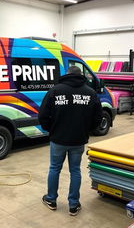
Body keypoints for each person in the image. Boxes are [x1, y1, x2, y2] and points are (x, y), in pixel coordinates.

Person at [38, 65, 102, 216]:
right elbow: (98, 117)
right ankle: (73, 205)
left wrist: (51, 129)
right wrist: (87, 130)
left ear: (67, 74)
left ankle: (51, 200)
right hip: (78, 140)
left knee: (54, 168)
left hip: (58, 139)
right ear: (81, 75)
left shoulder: (55, 91)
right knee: (75, 171)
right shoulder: (90, 93)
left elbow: (42, 116)